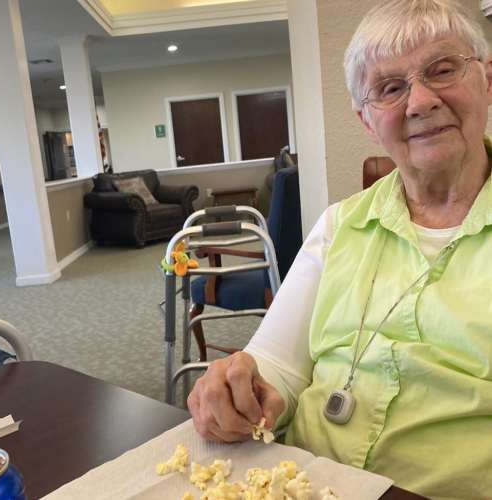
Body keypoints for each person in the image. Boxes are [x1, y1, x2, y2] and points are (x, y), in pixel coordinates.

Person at [188, 0, 492, 498]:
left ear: (488, 81)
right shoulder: (338, 225)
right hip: (302, 482)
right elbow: (279, 366)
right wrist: (244, 387)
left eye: (442, 70)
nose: (419, 102)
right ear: (368, 121)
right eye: (390, 88)